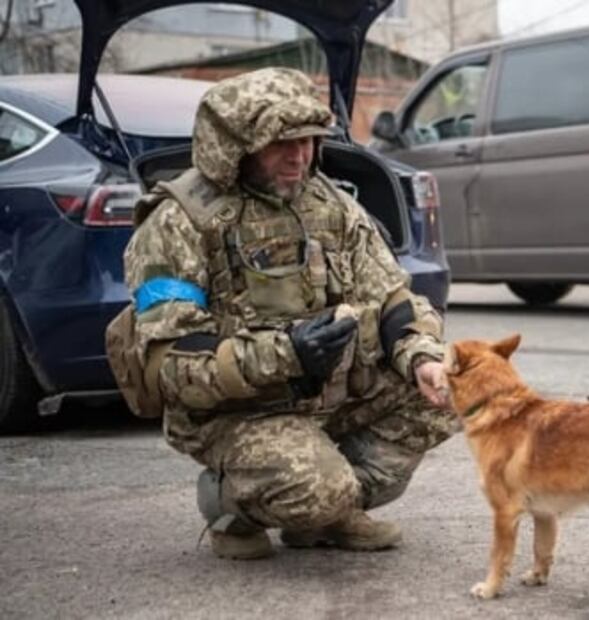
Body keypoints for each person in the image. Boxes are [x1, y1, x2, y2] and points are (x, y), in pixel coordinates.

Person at [115, 68, 455, 560]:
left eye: (309, 141)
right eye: (281, 144)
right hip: (238, 413)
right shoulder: (179, 222)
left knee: (456, 392)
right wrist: (287, 354)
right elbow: (167, 363)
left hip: (329, 396)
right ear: (237, 147)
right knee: (321, 488)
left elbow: (391, 298)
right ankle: (231, 505)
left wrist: (421, 357)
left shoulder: (330, 204)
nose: (299, 157)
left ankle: (322, 516)